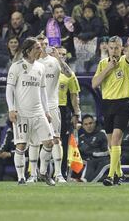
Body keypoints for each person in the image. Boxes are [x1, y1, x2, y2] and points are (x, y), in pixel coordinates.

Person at [6, 37, 55, 185]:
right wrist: (11, 109)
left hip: (39, 112)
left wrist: (46, 111)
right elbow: (10, 89)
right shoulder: (16, 66)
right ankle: (21, 177)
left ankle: (42, 173)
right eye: (38, 48)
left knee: (49, 143)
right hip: (22, 113)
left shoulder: (41, 67)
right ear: (28, 51)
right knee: (21, 146)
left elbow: (43, 91)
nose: (41, 50)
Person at [92, 35, 129, 186]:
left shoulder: (125, 61)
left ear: (121, 48)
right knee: (111, 144)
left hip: (123, 103)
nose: (114, 50)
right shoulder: (103, 63)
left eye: (117, 47)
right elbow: (94, 83)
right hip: (107, 103)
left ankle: (110, 176)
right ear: (107, 49)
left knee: (116, 139)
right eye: (111, 48)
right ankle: (120, 173)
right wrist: (109, 68)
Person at [35, 35, 73, 183]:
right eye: (40, 44)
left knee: (56, 140)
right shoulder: (33, 63)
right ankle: (39, 172)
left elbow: (69, 74)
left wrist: (59, 58)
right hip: (35, 107)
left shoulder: (54, 61)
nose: (43, 46)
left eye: (46, 44)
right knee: (37, 142)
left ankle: (58, 173)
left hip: (52, 106)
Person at [57, 46, 81, 177]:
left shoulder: (69, 75)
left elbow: (74, 95)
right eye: (58, 53)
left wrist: (76, 114)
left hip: (62, 110)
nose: (61, 56)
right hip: (45, 109)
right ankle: (38, 171)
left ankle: (61, 172)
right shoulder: (45, 69)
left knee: (63, 143)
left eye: (63, 54)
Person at [78, 114, 109, 182]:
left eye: (90, 123)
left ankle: (88, 181)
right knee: (90, 162)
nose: (88, 126)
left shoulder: (102, 134)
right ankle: (85, 180)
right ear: (83, 126)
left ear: (94, 123)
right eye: (86, 124)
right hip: (86, 161)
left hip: (102, 160)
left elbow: (107, 152)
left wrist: (92, 153)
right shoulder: (81, 137)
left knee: (97, 163)